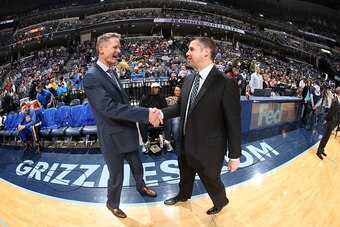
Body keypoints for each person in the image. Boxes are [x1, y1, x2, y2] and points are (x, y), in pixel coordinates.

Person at [158, 37, 242, 215]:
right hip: (186, 142)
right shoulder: (189, 79)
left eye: (191, 49)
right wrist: (161, 113)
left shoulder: (226, 83)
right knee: (185, 176)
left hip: (209, 148)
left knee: (211, 180)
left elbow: (233, 122)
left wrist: (234, 155)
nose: (187, 53)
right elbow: (180, 107)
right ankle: (183, 195)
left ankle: (221, 201)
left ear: (205, 52)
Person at [83, 32, 159, 219]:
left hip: (127, 130)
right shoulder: (91, 77)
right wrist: (145, 113)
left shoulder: (111, 70)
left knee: (137, 165)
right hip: (111, 137)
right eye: (115, 47)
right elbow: (108, 108)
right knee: (116, 175)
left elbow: (121, 102)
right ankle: (112, 203)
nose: (119, 51)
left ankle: (141, 186)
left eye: (119, 47)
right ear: (102, 49)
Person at [139, 82, 172, 153]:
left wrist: (158, 114)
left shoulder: (162, 98)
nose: (158, 89)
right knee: (142, 122)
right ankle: (145, 143)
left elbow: (165, 109)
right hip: (148, 118)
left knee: (168, 119)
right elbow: (141, 110)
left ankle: (167, 141)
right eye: (156, 88)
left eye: (158, 88)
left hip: (159, 117)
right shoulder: (145, 98)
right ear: (152, 88)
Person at [316, 87, 340, 159]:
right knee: (325, 136)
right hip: (331, 121)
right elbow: (330, 112)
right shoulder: (335, 100)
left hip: (334, 121)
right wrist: (326, 119)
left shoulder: (338, 100)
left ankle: (322, 149)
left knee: (327, 137)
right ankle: (318, 151)